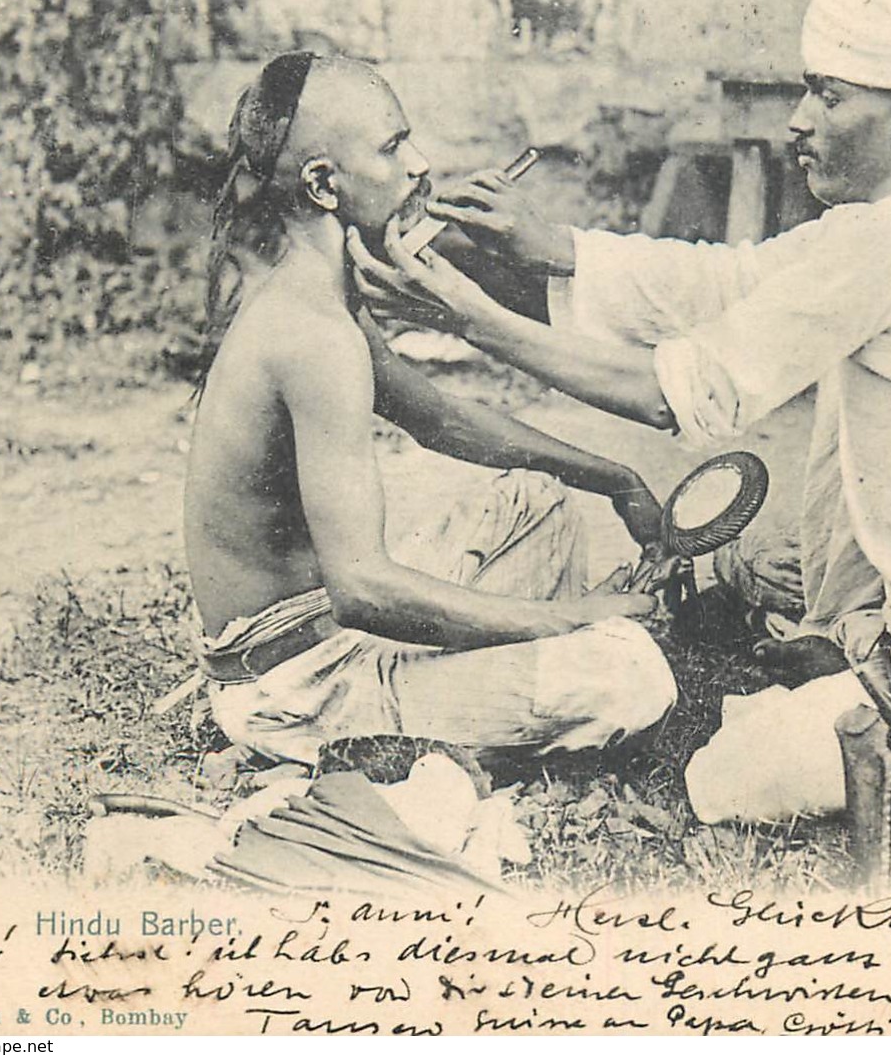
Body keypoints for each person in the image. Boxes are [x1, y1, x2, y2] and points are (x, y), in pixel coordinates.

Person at [350, 0, 891, 792]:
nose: (798, 120)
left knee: (733, 774)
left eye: (827, 96)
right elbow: (736, 285)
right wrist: (558, 248)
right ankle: (863, 642)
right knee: (786, 557)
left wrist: (465, 318)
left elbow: (672, 393)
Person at [182, 52, 675, 767]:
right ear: (323, 183)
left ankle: (487, 693)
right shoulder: (312, 335)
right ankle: (400, 750)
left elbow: (439, 418)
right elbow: (361, 589)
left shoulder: (317, 291)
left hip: (324, 635)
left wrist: (615, 477)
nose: (419, 164)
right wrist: (567, 618)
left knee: (537, 499)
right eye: (391, 147)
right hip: (296, 687)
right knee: (629, 673)